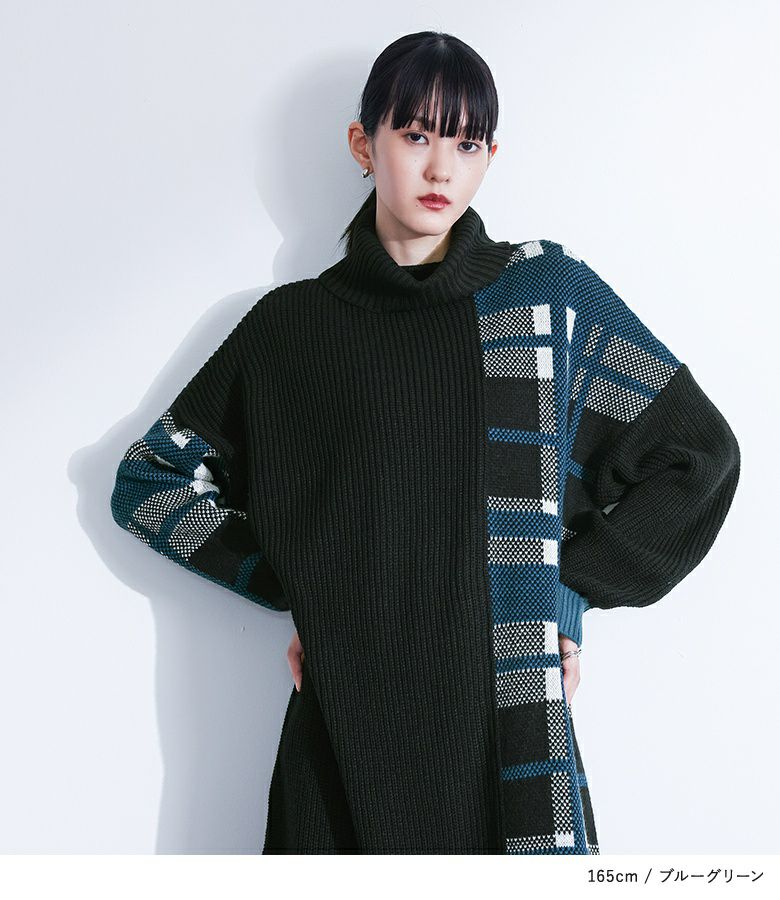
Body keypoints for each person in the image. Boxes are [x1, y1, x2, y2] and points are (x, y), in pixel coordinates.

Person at [110, 31, 741, 855]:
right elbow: (149, 481)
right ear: (363, 144)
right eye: (416, 135)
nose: (441, 168)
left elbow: (698, 458)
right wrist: (307, 588)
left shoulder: (543, 298)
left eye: (467, 144)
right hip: (346, 730)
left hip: (509, 718)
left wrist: (568, 592)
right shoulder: (290, 332)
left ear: (490, 157)